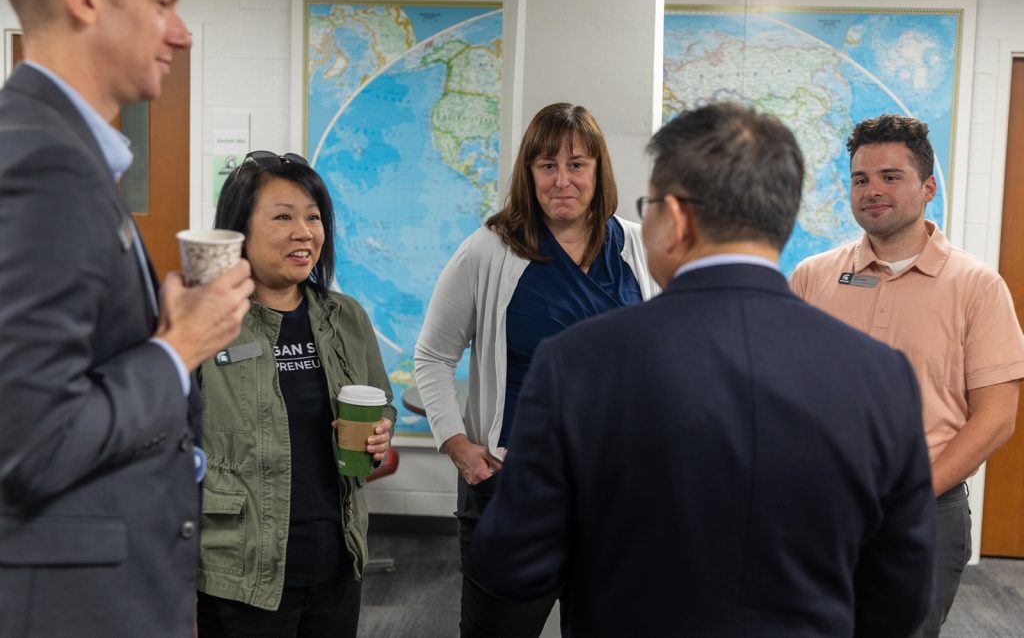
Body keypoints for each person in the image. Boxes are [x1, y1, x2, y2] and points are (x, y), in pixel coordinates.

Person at [470, 102, 937, 636]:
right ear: (779, 219)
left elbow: (510, 564)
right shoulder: (880, 375)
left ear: (676, 218)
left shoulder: (577, 363)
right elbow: (902, 596)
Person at [0, 0, 254, 635]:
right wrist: (179, 348)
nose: (182, 33)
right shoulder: (44, 162)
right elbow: (32, 441)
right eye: (163, 2)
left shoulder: (53, 147)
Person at [414, 102, 658, 635]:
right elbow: (433, 355)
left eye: (577, 164)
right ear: (529, 173)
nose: (562, 180)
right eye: (547, 165)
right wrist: (456, 444)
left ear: (599, 171)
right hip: (513, 489)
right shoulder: (490, 249)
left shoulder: (639, 247)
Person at [789, 113, 1024, 637]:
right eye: (860, 179)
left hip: (923, 511)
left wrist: (911, 494)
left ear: (927, 187)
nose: (872, 190)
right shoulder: (811, 277)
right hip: (821, 506)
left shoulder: (977, 286)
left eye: (890, 176)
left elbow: (997, 418)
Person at [194, 151, 397, 637]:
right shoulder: (207, 321)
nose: (304, 231)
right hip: (240, 573)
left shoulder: (346, 317)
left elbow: (380, 401)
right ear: (240, 228)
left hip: (336, 560)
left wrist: (380, 434)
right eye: (283, 216)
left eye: (313, 217)